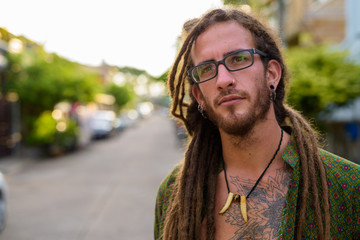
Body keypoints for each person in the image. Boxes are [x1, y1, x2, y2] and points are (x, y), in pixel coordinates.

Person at [154, 7, 360, 240]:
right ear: (199, 96)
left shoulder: (348, 187)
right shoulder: (175, 194)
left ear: (271, 74)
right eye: (207, 69)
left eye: (238, 58)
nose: (223, 80)